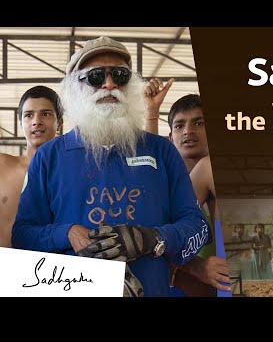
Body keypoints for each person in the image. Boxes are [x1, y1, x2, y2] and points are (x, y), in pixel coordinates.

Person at [11, 36, 209, 297]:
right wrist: (65, 233)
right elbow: (23, 236)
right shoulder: (49, 157)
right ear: (74, 88)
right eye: (95, 77)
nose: (109, 84)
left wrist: (153, 238)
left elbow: (198, 227)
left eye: (120, 75)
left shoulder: (161, 151)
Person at [162, 93, 229, 294]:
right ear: (170, 137)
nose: (189, 131)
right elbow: (156, 231)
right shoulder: (167, 182)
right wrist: (195, 265)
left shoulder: (210, 169)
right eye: (180, 126)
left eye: (199, 123)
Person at [0, 86, 63, 247]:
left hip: (52, 270)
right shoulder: (2, 166)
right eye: (29, 115)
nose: (37, 121)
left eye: (46, 114)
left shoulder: (72, 174)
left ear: (60, 123)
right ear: (21, 122)